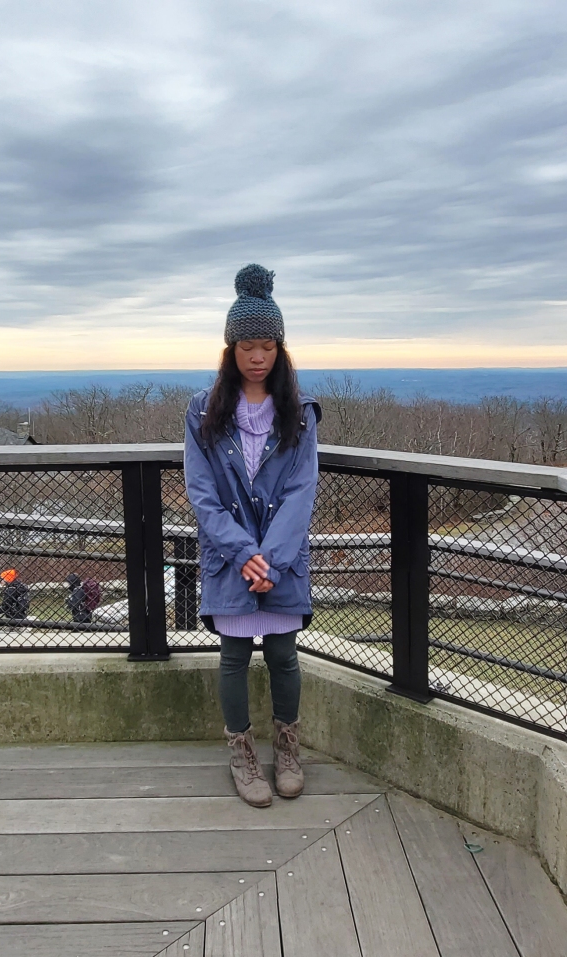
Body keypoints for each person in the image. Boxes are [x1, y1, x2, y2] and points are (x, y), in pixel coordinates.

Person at [184, 263, 320, 809]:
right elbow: (202, 493)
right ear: (230, 349)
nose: (257, 355)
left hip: (280, 562)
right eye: (247, 345)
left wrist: (273, 559)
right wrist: (245, 553)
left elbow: (301, 492)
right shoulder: (201, 412)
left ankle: (288, 748)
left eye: (267, 345)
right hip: (230, 559)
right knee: (235, 657)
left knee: (284, 657)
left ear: (280, 349)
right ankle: (242, 755)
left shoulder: (301, 414)